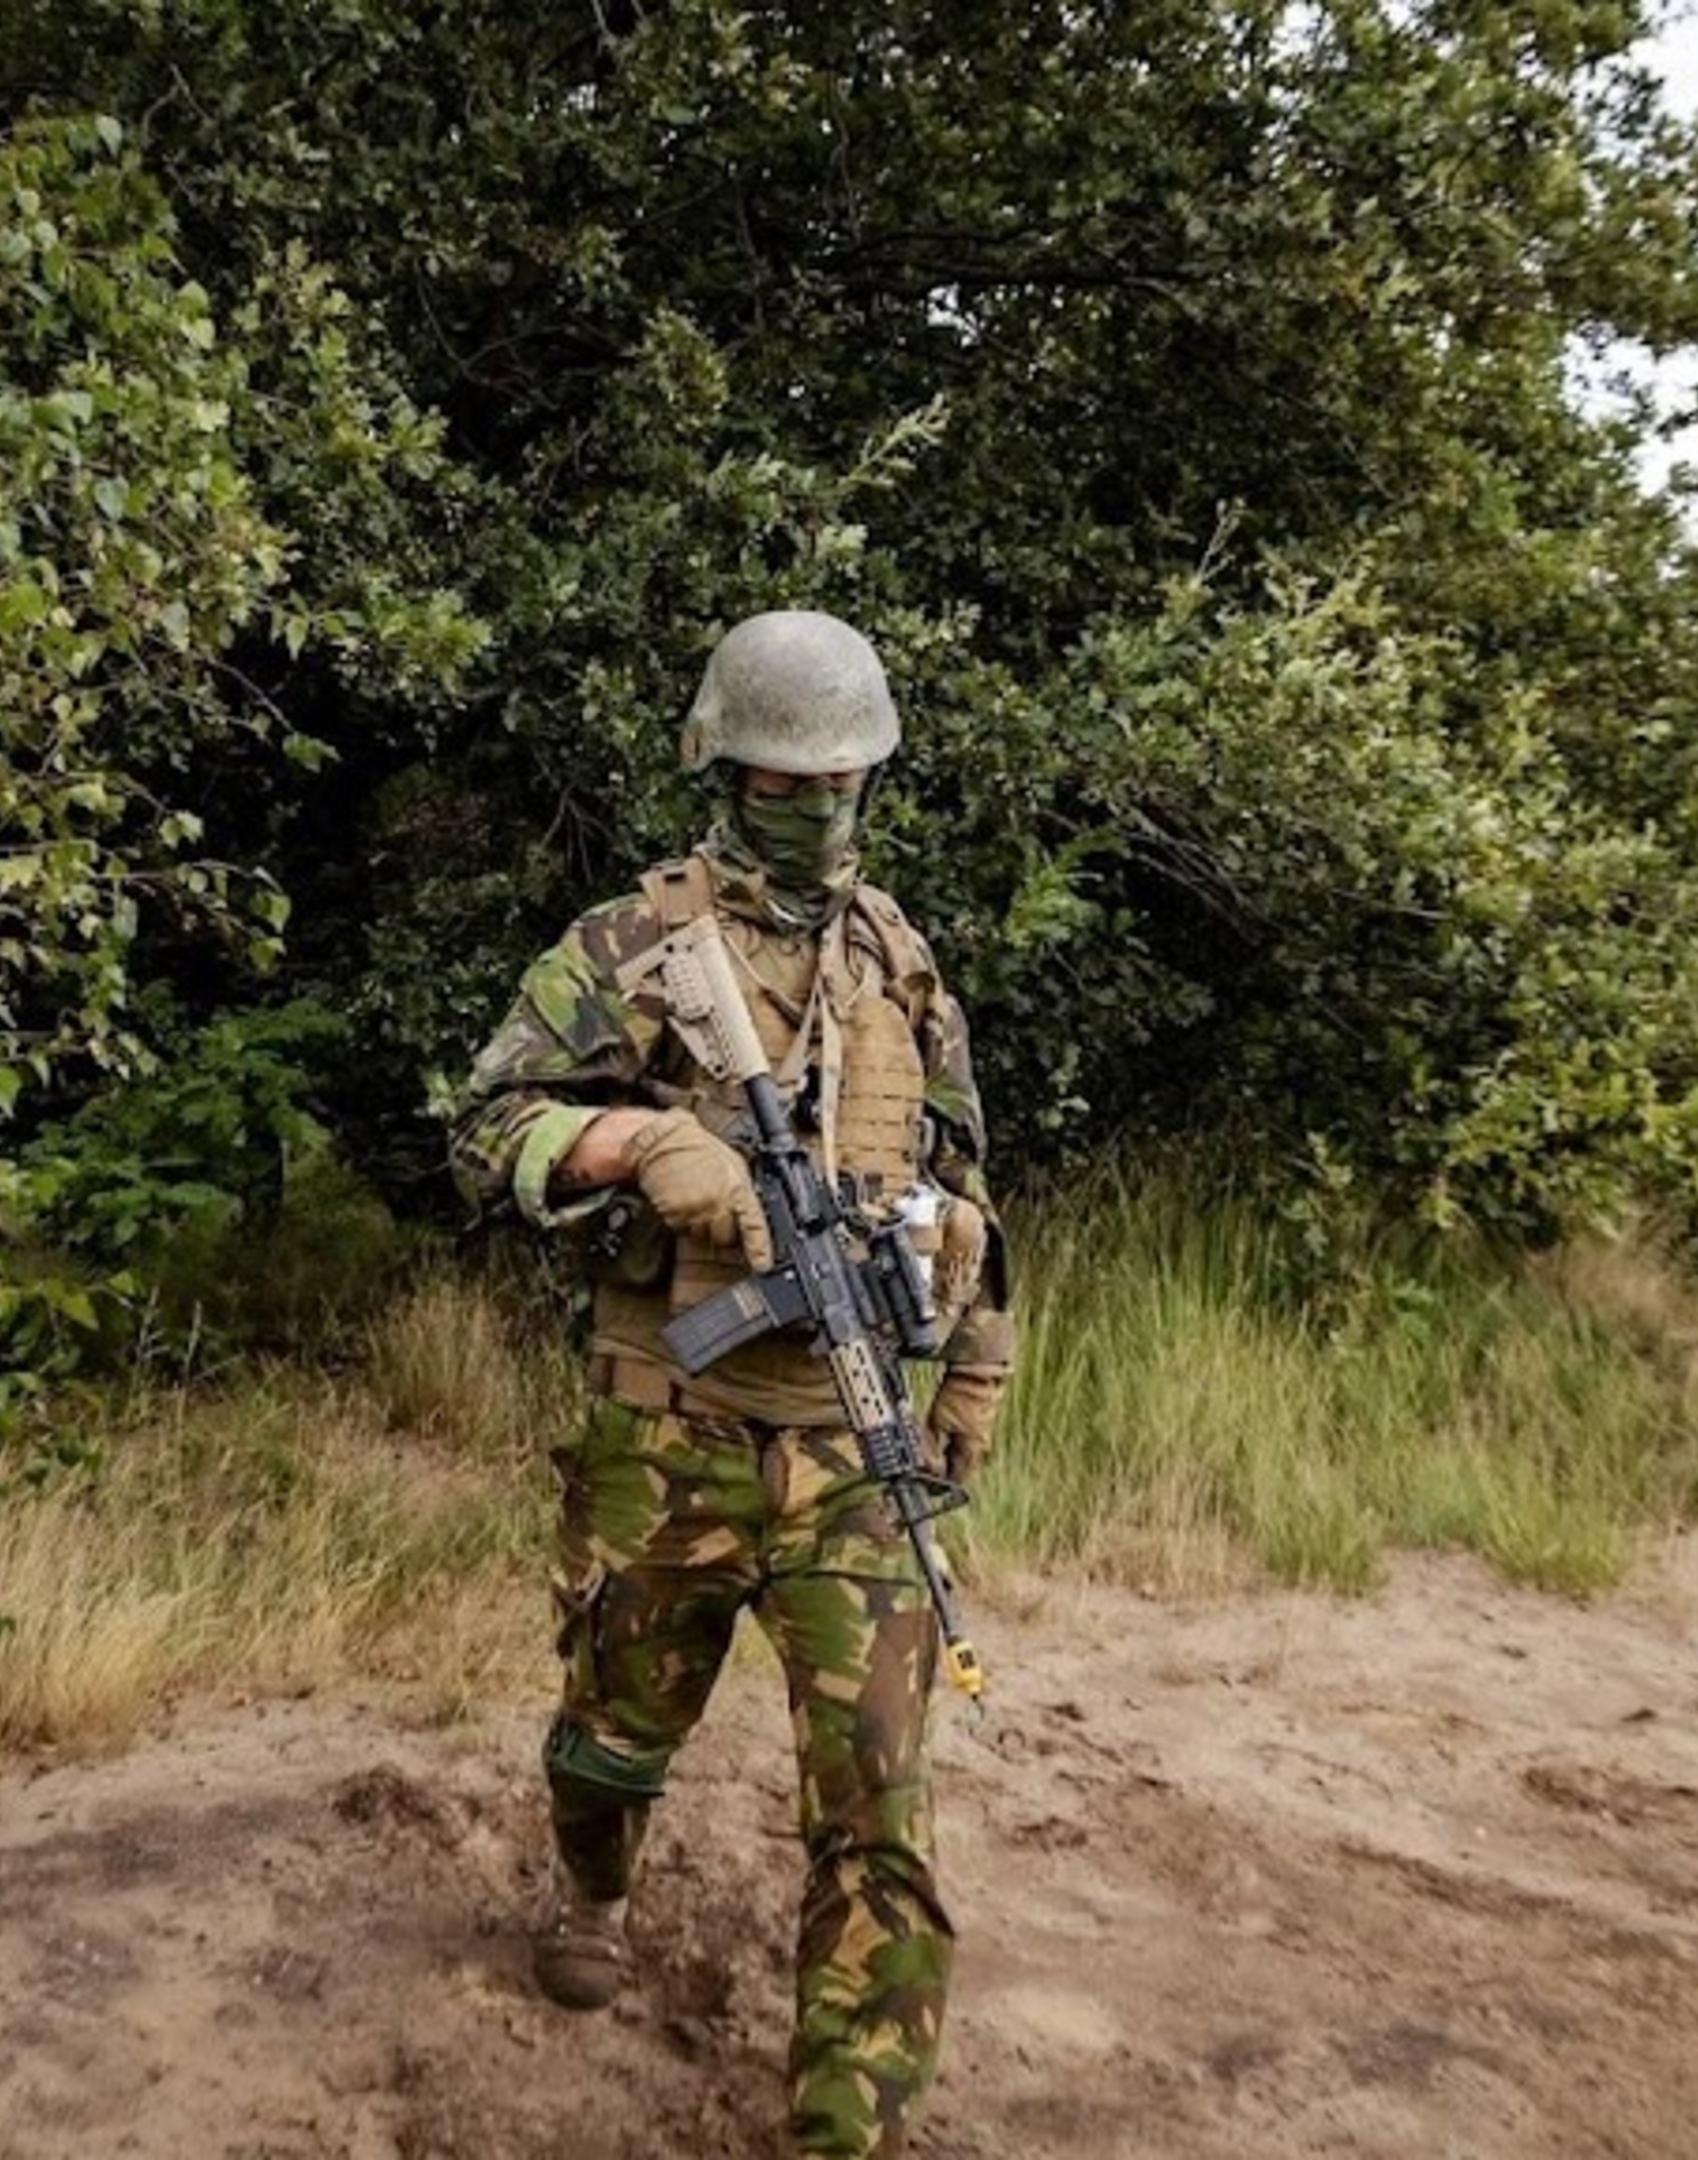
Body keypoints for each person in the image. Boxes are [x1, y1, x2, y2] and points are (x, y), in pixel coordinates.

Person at [445, 609, 1015, 2160]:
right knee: (609, 1741)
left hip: (852, 1447)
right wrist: (638, 1142)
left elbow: (967, 1184)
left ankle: (845, 2129)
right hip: (669, 1433)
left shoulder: (902, 963)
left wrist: (975, 1370)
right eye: (781, 782)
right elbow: (483, 1128)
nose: (816, 809)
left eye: (840, 782)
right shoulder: (630, 948)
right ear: (721, 768)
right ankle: (596, 1887)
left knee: (881, 1814)